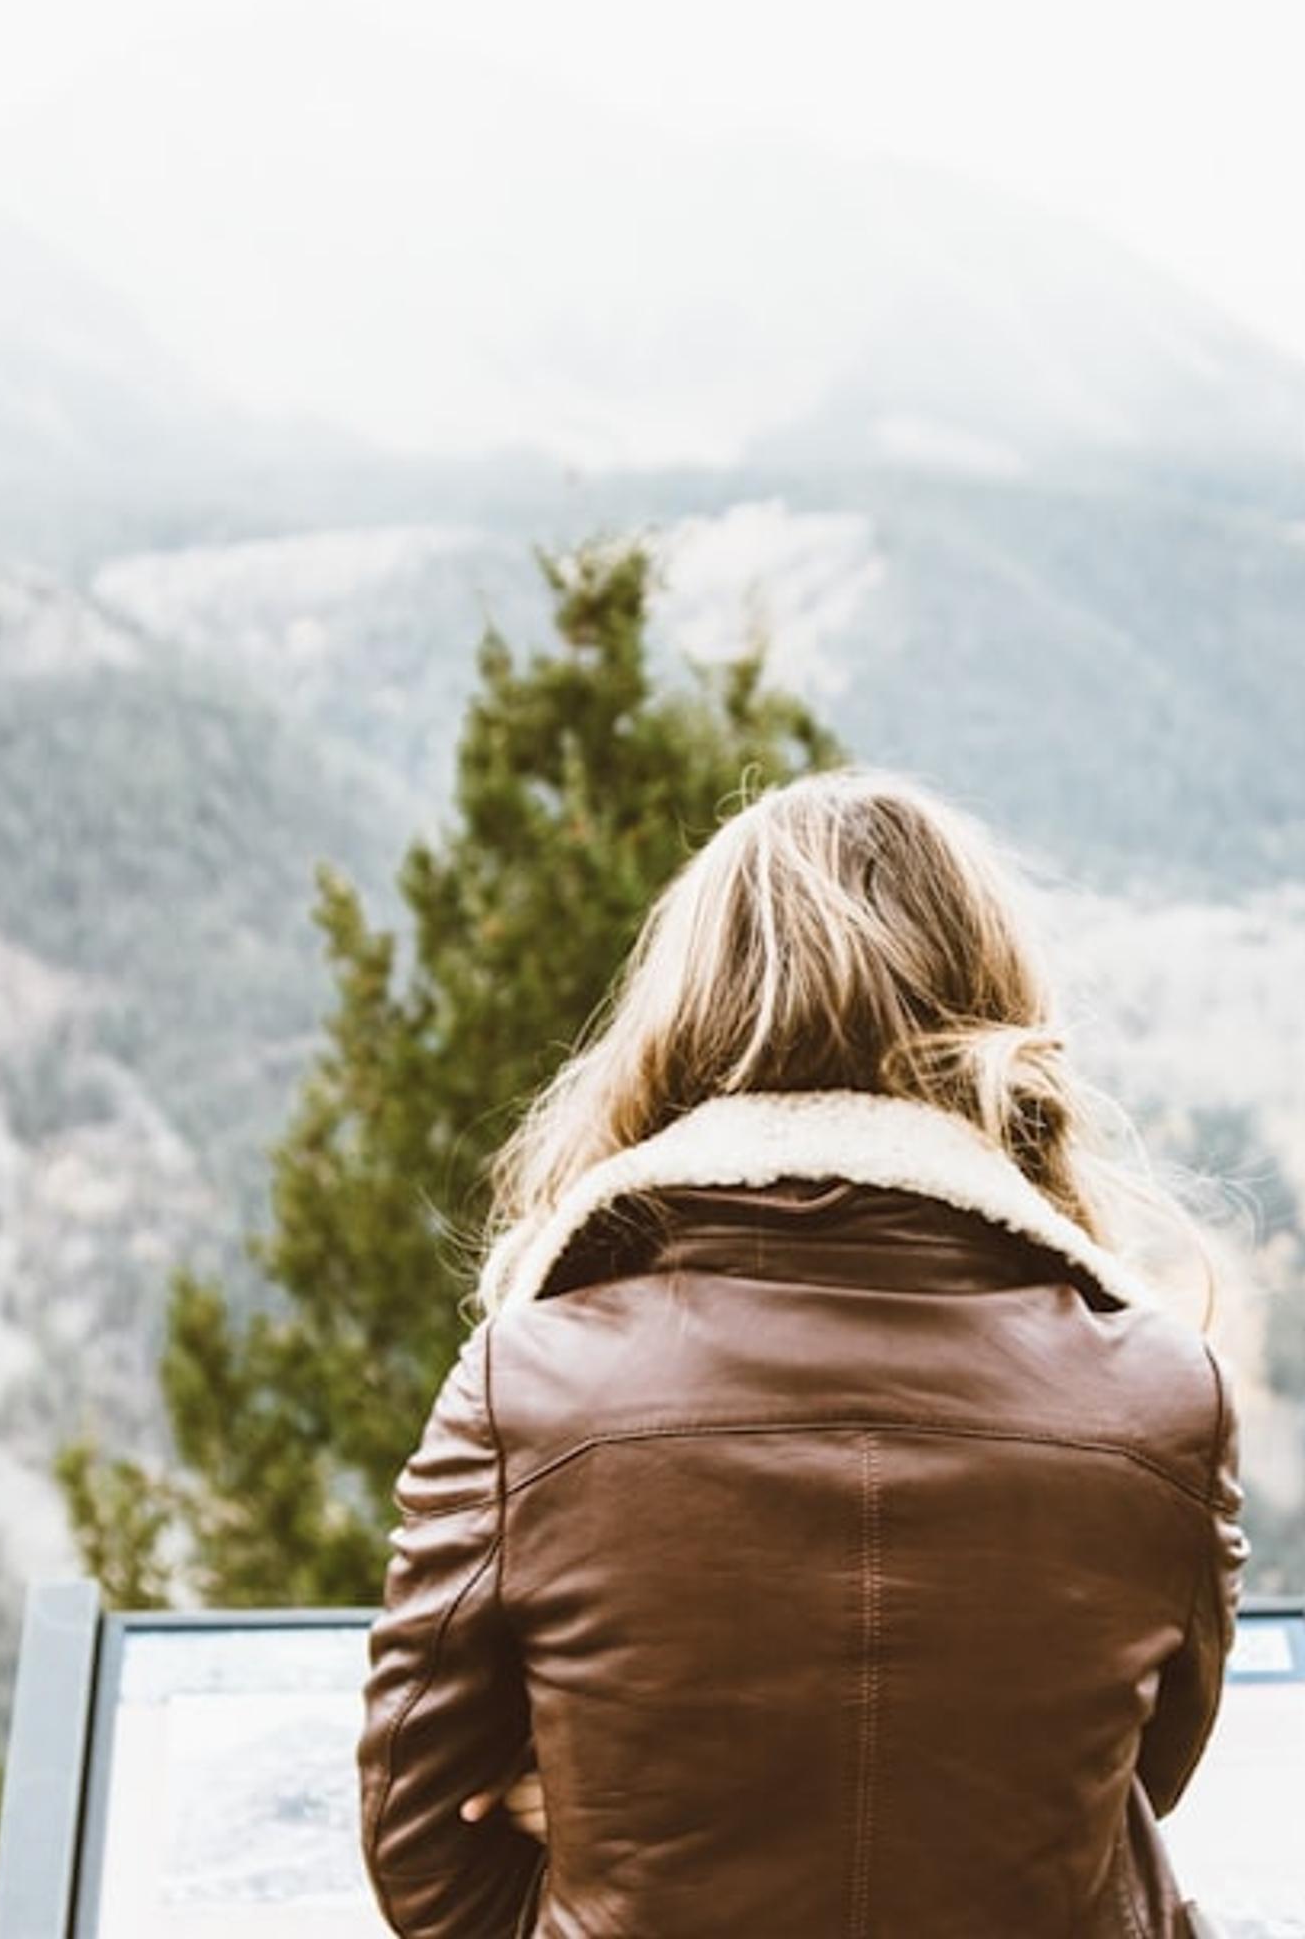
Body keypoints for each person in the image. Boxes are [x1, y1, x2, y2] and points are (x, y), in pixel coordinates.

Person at [354, 766, 1249, 1937]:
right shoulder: (1164, 1404)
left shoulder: (531, 1389)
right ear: (992, 1018)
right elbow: (1134, 1776)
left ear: (685, 1025)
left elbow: (419, 1847)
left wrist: (599, 1855)